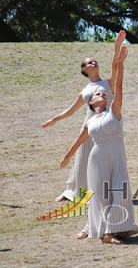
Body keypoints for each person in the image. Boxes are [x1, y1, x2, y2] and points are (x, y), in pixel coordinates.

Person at [60, 46, 138, 244]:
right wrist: (68, 157)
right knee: (99, 197)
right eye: (97, 95)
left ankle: (111, 228)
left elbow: (118, 87)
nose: (101, 94)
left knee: (119, 193)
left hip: (117, 157)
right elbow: (79, 141)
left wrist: (120, 65)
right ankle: (103, 232)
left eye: (103, 94)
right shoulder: (90, 122)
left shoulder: (114, 112)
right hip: (96, 161)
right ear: (90, 103)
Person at [42, 30, 126, 202]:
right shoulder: (85, 91)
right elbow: (71, 110)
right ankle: (72, 192)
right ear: (84, 70)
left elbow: (115, 66)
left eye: (94, 61)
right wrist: (54, 119)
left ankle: (104, 191)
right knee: (81, 159)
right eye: (89, 63)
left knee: (103, 158)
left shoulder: (108, 83)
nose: (94, 63)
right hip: (89, 124)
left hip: (106, 124)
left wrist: (117, 46)